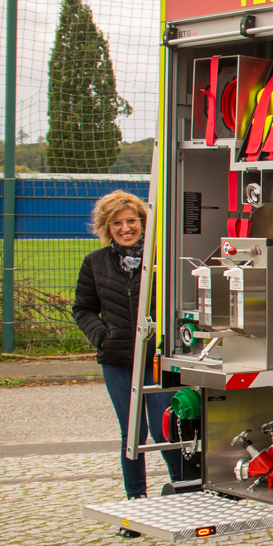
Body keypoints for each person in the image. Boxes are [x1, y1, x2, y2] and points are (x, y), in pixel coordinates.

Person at [73, 190, 180, 501]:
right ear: (107, 227)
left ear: (142, 223)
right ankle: (136, 500)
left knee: (165, 429)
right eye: (117, 222)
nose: (125, 228)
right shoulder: (94, 263)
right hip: (117, 359)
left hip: (157, 358)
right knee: (132, 433)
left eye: (131, 220)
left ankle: (183, 491)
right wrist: (102, 336)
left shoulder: (160, 258)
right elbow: (82, 309)